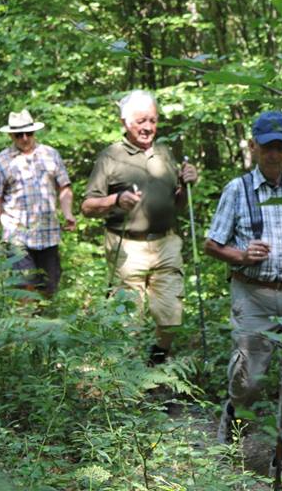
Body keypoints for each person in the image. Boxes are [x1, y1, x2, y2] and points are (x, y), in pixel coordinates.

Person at [204, 110, 282, 484]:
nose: (274, 154)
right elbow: (211, 243)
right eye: (267, 147)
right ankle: (234, 410)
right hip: (252, 294)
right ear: (254, 146)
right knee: (249, 379)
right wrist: (239, 255)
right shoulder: (237, 191)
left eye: (280, 147)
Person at [81, 90, 197, 366]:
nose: (148, 127)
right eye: (141, 120)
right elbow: (87, 206)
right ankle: (128, 374)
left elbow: (178, 203)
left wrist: (188, 184)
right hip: (127, 245)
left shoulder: (166, 154)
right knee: (128, 317)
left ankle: (157, 359)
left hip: (166, 243)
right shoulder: (110, 157)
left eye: (153, 121)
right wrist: (116, 200)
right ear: (124, 122)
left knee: (170, 314)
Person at [0, 109, 76, 297]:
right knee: (25, 288)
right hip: (17, 235)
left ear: (35, 132)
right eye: (19, 134)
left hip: (48, 233)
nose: (25, 138)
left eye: (29, 133)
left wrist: (68, 213)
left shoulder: (50, 154)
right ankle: (26, 323)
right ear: (11, 135)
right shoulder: (2, 160)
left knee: (49, 287)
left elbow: (64, 188)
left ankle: (43, 323)